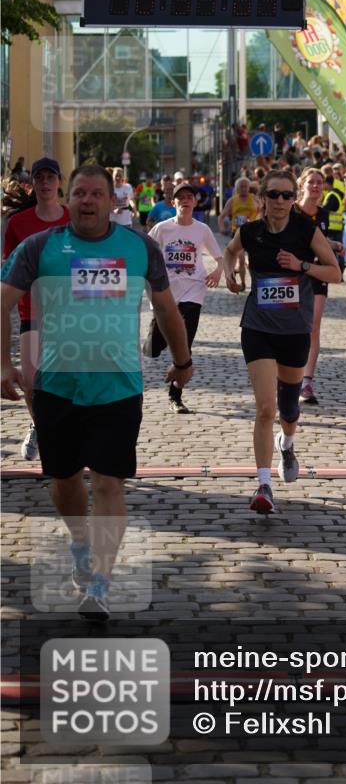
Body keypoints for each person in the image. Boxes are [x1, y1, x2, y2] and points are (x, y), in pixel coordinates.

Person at [1, 164, 192, 620]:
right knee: (64, 481)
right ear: (68, 199)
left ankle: (101, 583)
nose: (87, 201)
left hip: (118, 387)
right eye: (79, 193)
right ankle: (80, 541)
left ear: (113, 201)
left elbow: (166, 309)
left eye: (96, 194)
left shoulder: (139, 247)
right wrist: (2, 364)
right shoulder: (39, 247)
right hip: (56, 385)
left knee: (108, 482)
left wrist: (182, 363)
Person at [222, 170, 340, 514]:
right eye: (273, 195)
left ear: (293, 199)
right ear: (262, 199)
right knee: (265, 408)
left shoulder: (306, 230)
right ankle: (263, 485)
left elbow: (334, 272)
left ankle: (287, 444)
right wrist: (229, 273)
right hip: (257, 328)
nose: (280, 202)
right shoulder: (251, 232)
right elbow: (230, 251)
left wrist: (302, 265)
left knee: (289, 410)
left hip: (294, 332)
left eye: (287, 196)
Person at [2, 157, 70, 460]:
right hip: (32, 308)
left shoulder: (73, 219)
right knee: (31, 379)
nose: (45, 183)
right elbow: (9, 267)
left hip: (70, 312)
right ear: (34, 182)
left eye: (50, 177)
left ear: (59, 182)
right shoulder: (18, 223)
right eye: (40, 177)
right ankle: (39, 423)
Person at [145, 180, 223, 414]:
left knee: (185, 345)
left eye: (190, 197)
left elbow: (219, 257)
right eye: (181, 198)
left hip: (194, 290)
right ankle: (155, 341)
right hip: (165, 292)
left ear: (195, 202)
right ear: (174, 202)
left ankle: (175, 395)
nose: (186, 201)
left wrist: (218, 272)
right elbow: (145, 248)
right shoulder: (162, 228)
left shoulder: (202, 229)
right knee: (153, 348)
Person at [295, 168, 344, 406]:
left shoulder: (324, 214)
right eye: (311, 182)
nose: (315, 186)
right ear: (302, 185)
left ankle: (306, 382)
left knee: (313, 327)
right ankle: (287, 375)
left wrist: (333, 244)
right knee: (291, 326)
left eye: (320, 183)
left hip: (317, 274)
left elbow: (319, 240)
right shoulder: (291, 210)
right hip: (293, 275)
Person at [218, 176, 260, 290]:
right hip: (238, 233)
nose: (243, 188)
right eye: (241, 186)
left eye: (245, 186)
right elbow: (222, 216)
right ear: (237, 188)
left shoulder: (255, 199)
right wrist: (221, 227)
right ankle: (243, 283)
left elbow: (263, 211)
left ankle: (254, 283)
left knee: (254, 260)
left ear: (249, 187)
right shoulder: (232, 200)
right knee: (241, 259)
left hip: (254, 232)